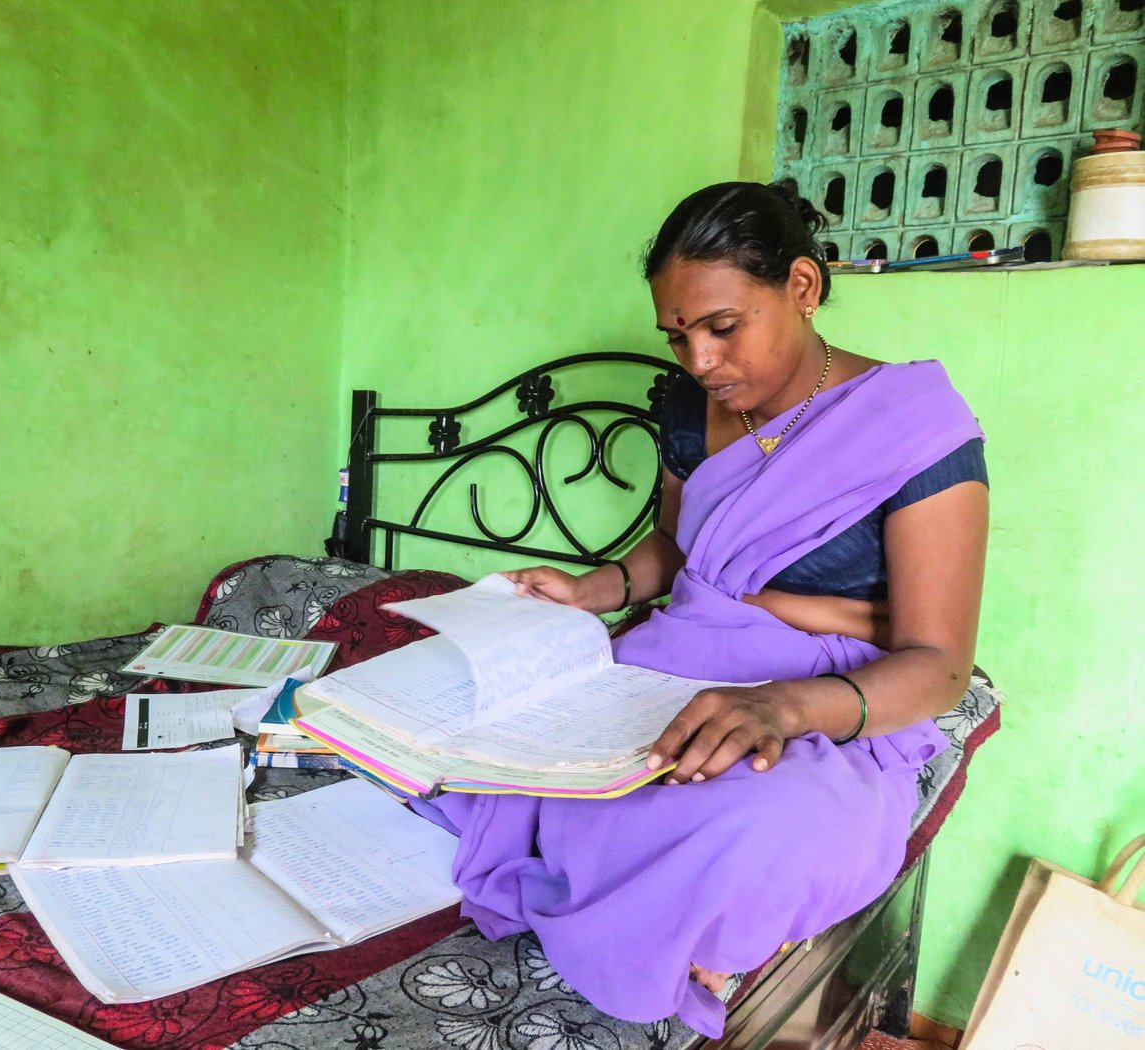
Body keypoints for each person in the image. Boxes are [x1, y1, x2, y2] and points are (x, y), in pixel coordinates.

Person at [410, 180, 989, 1039]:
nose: (701, 363)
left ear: (801, 286)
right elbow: (677, 549)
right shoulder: (691, 409)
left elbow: (939, 666)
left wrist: (781, 708)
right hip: (677, 661)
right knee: (521, 736)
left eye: (723, 328)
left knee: (764, 828)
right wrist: (595, 589)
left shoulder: (917, 429)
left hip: (822, 700)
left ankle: (679, 924)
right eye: (679, 337)